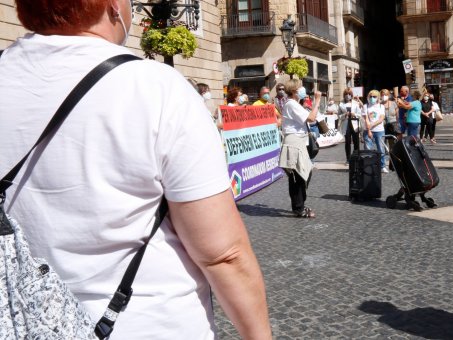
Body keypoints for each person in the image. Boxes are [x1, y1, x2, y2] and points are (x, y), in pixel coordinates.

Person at [0, 1, 272, 338]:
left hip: (20, 323)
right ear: (114, 6)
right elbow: (223, 254)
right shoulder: (156, 88)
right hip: (146, 323)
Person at [279, 79, 321, 218]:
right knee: (297, 176)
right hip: (294, 141)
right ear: (294, 91)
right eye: (300, 87)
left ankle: (300, 204)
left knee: (304, 173)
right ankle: (299, 208)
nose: (303, 89)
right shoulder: (291, 104)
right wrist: (317, 101)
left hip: (299, 141)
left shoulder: (294, 104)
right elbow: (311, 118)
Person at [363, 90, 388, 173]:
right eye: (370, 96)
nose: (372, 98)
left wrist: (372, 124)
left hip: (379, 130)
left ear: (378, 98)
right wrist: (369, 130)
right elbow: (366, 119)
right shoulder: (365, 106)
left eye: (374, 96)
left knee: (381, 148)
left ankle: (382, 165)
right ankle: (368, 165)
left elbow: (381, 119)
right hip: (368, 130)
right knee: (368, 148)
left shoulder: (381, 106)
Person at [339, 88, 363, 164]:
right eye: (346, 94)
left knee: (356, 141)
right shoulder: (341, 104)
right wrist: (344, 115)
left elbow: (360, 114)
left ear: (351, 95)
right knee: (347, 142)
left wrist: (354, 114)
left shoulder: (356, 103)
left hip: (354, 123)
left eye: (349, 94)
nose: (348, 96)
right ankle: (348, 159)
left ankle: (356, 157)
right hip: (346, 124)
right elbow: (339, 115)